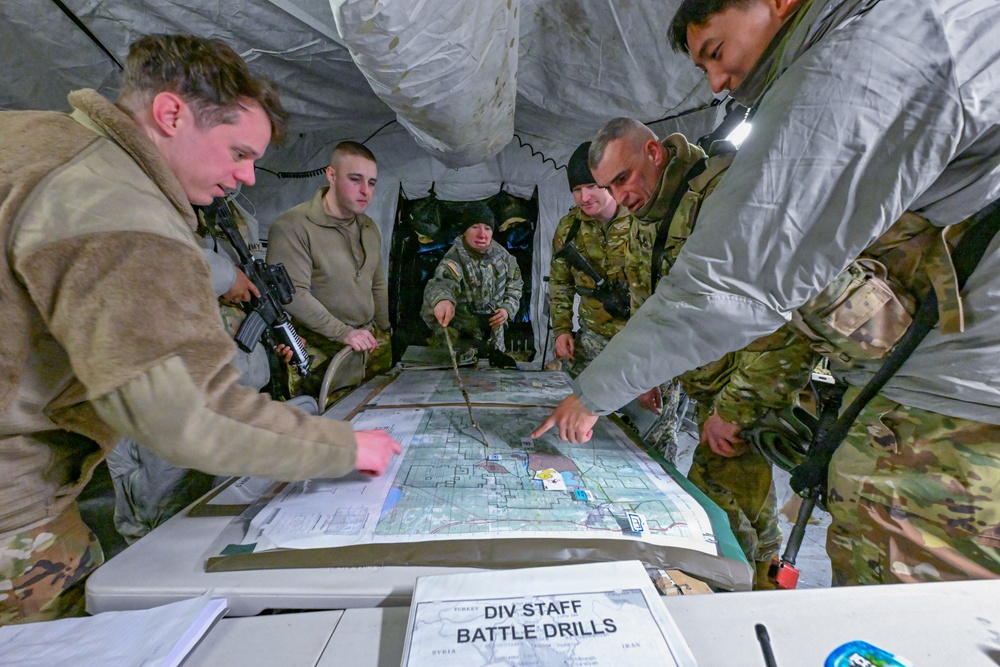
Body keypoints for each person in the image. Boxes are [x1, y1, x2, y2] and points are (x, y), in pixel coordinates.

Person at [535, 0, 1000, 586]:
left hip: (937, 397)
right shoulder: (896, 33)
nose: (717, 81)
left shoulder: (851, 66)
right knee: (748, 522)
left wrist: (715, 405)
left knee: (863, 578)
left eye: (717, 52)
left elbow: (749, 291)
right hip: (917, 381)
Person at [0, 33, 401, 625]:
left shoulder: (35, 139)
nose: (244, 177)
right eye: (238, 152)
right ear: (171, 114)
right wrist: (346, 447)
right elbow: (188, 412)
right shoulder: (114, 200)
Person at [592, 117, 817, 587]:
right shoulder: (643, 221)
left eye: (623, 178)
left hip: (747, 387)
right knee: (750, 506)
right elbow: (652, 310)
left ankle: (739, 604)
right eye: (608, 187)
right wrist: (645, 372)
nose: (620, 197)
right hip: (707, 388)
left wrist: (734, 411)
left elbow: (784, 316)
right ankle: (765, 589)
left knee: (715, 506)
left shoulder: (724, 195)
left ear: (653, 152)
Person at [267, 141, 392, 400]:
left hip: (369, 342)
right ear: (331, 175)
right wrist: (344, 333)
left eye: (371, 182)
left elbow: (376, 283)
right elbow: (293, 295)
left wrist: (385, 330)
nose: (365, 191)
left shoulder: (368, 227)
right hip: (323, 352)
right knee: (333, 425)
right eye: (355, 179)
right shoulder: (293, 227)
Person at [421, 202, 523, 367]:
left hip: (495, 343)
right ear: (465, 231)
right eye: (475, 227)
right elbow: (442, 283)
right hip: (461, 346)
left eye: (487, 228)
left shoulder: (505, 257)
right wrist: (443, 300)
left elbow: (515, 287)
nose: (482, 234)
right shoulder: (454, 258)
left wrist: (507, 309)